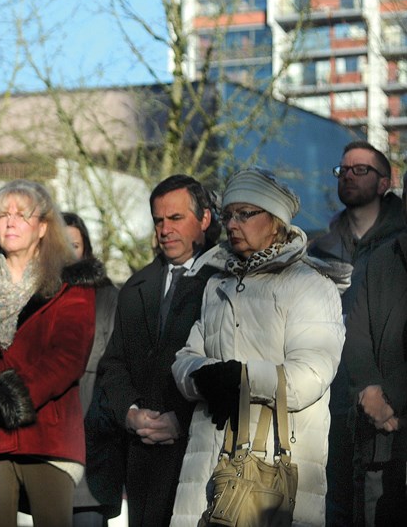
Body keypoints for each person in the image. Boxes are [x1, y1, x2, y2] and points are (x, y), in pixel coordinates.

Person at [171, 168, 345, 527]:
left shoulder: (309, 285)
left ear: (276, 222)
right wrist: (203, 378)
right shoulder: (217, 284)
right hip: (207, 465)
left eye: (245, 214)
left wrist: (241, 377)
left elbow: (311, 374)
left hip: (271, 469)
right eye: (228, 214)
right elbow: (185, 358)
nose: (232, 224)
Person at [0, 179, 102, 527]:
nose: (9, 222)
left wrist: (12, 396)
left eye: (21, 214)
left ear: (42, 227)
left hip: (49, 438)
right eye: (1, 214)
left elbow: (68, 358)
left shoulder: (71, 285)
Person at [86, 175, 221, 527]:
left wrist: (183, 420)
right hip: (144, 457)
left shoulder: (226, 283)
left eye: (176, 219)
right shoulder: (136, 286)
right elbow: (114, 364)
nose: (165, 229)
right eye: (158, 221)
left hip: (204, 453)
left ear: (204, 219)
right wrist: (130, 413)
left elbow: (231, 368)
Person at [307, 140, 406, 526]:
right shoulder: (319, 249)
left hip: (387, 409)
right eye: (343, 169)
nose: (348, 175)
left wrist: (383, 393)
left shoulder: (397, 245)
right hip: (334, 402)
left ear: (385, 182)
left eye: (360, 169)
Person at [343, 170, 407, 526]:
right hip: (379, 443)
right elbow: (357, 334)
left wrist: (390, 397)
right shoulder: (382, 260)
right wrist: (369, 390)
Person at [62, 212, 119, 527]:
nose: (68, 254)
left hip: (92, 445)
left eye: (75, 245)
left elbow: (117, 369)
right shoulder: (30, 299)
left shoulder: (108, 298)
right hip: (45, 449)